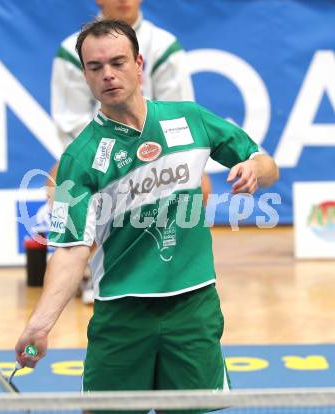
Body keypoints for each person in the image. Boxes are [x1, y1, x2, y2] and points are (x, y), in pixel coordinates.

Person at [16, 19, 279, 409]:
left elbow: (265, 162)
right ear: (85, 75)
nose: (108, 74)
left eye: (118, 62)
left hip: (193, 307)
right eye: (95, 67)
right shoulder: (80, 158)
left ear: (139, 64)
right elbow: (71, 250)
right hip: (122, 314)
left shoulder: (190, 119)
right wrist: (39, 325)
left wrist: (255, 169)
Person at [50, 0, 211, 303]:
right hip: (102, 150)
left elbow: (179, 115)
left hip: (161, 150)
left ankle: (168, 265)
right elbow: (70, 122)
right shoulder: (71, 50)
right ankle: (93, 270)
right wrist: (114, 155)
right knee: (59, 181)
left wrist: (145, 155)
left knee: (200, 184)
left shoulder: (164, 45)